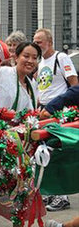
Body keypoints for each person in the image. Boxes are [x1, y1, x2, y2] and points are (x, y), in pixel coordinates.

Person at [0, 42, 41, 227]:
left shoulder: (31, 85)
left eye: (34, 57)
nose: (30, 61)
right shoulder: (4, 74)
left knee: (24, 190)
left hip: (22, 148)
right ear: (16, 56)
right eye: (26, 56)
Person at [33, 28, 78, 212]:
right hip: (43, 111)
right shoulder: (40, 62)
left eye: (40, 42)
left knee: (56, 152)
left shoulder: (61, 58)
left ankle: (62, 197)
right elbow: (41, 89)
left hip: (57, 113)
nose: (36, 44)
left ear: (49, 42)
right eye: (34, 41)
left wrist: (59, 109)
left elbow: (74, 85)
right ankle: (51, 192)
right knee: (43, 153)